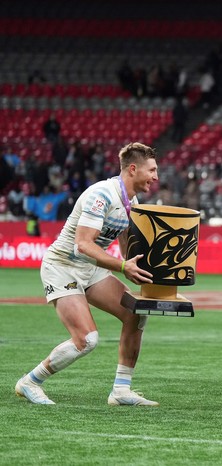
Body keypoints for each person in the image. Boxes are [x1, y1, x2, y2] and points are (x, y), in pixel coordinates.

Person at [15, 142, 159, 406]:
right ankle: (30, 381)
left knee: (135, 312)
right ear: (133, 169)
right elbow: (83, 243)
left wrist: (133, 266)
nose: (155, 177)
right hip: (62, 266)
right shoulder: (101, 195)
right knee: (87, 340)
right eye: (152, 170)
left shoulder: (131, 200)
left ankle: (121, 391)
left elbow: (126, 241)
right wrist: (122, 266)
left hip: (89, 267)